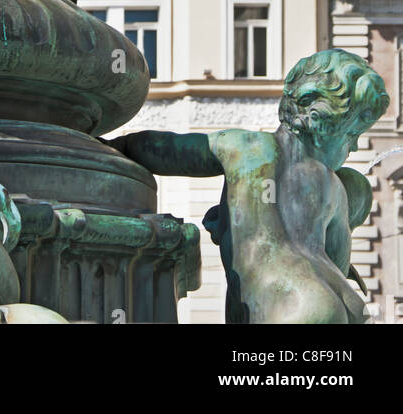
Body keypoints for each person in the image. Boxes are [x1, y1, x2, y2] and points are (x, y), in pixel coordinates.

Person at [116, 50, 390, 324]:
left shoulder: (242, 146)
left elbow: (160, 149)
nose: (354, 145)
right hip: (347, 302)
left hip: (290, 300)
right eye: (353, 134)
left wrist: (111, 146)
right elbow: (338, 264)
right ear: (323, 122)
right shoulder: (335, 187)